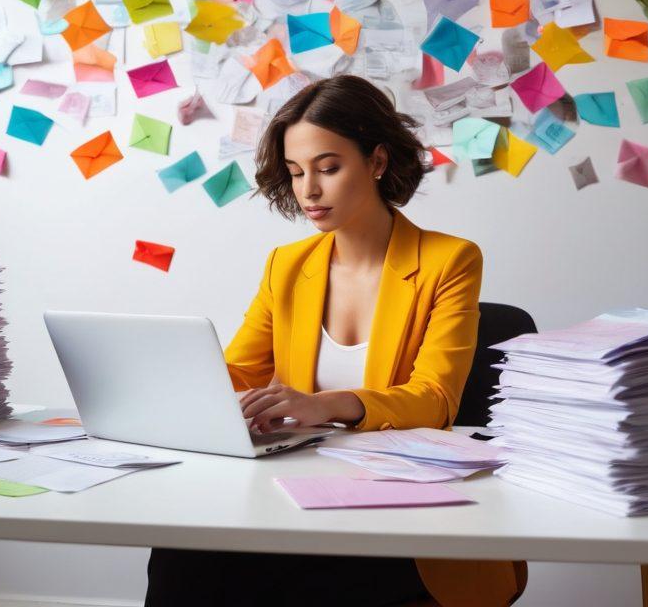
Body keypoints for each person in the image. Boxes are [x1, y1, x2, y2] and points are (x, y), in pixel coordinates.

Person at [145, 75, 526, 607]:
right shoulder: (288, 265)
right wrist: (168, 388)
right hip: (298, 492)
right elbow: (237, 373)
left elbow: (435, 399)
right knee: (183, 553)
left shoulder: (451, 260)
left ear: (377, 161)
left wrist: (324, 405)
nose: (309, 191)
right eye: (297, 172)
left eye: (328, 168)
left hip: (397, 509)